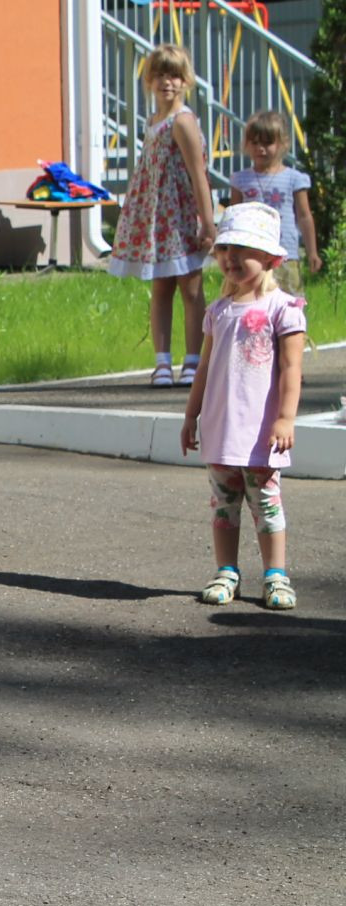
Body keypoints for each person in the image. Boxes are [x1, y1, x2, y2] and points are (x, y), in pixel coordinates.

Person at [179, 202, 306, 611]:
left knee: (266, 505)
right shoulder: (217, 312)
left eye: (243, 249)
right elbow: (204, 369)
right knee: (223, 506)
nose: (231, 257)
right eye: (224, 249)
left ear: (269, 257)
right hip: (221, 430)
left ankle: (276, 575)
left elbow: (291, 369)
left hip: (262, 433)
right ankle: (226, 571)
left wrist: (286, 418)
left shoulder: (281, 309)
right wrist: (190, 415)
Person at [108, 42, 217, 388]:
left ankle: (194, 360)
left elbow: (198, 174)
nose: (166, 82)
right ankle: (162, 362)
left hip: (181, 215)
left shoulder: (182, 121)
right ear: (149, 81)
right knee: (161, 288)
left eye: (174, 75)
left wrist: (208, 221)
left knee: (191, 288)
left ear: (185, 81)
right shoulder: (154, 121)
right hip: (157, 216)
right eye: (159, 75)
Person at [229, 110, 321, 296]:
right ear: (247, 144)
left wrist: (312, 251)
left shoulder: (294, 178)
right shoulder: (241, 180)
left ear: (282, 144)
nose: (260, 148)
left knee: (289, 299)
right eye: (254, 143)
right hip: (252, 253)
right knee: (254, 297)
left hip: (285, 252)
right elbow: (233, 217)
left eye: (267, 143)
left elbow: (304, 216)